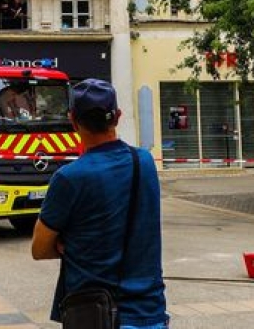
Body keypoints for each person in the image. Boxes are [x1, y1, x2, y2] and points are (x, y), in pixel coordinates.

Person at [31, 79, 168, 329]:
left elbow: (39, 249)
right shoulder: (145, 163)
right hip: (150, 314)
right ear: (117, 116)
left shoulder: (69, 178)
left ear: (73, 121)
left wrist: (67, 245)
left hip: (94, 316)